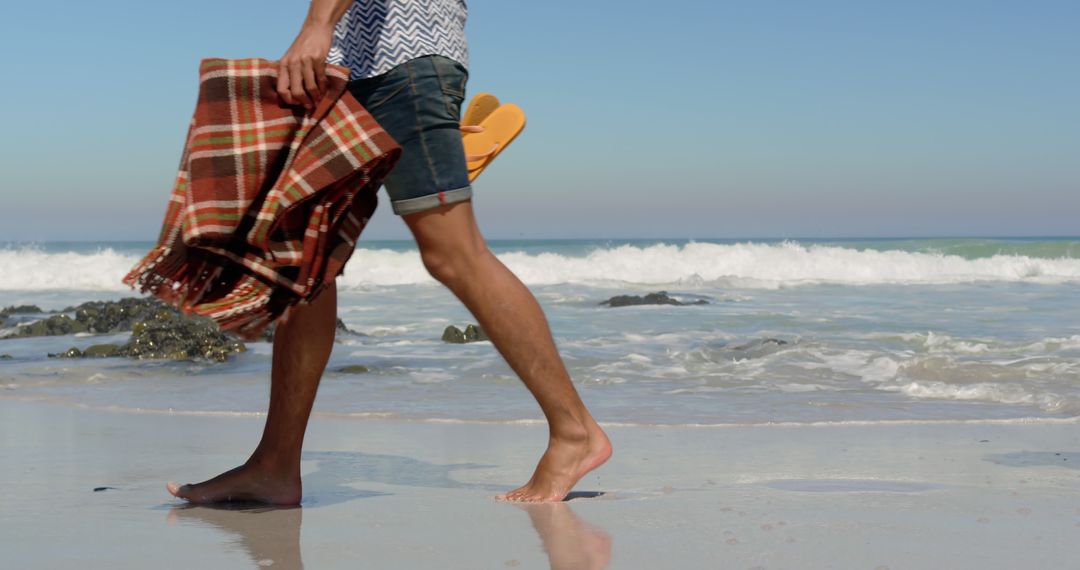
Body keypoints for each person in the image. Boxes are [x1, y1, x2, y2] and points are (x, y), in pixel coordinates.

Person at [166, 0, 611, 504]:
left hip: (406, 67)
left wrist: (317, 25)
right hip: (348, 74)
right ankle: (275, 465)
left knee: (452, 253)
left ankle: (575, 433)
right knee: (308, 260)